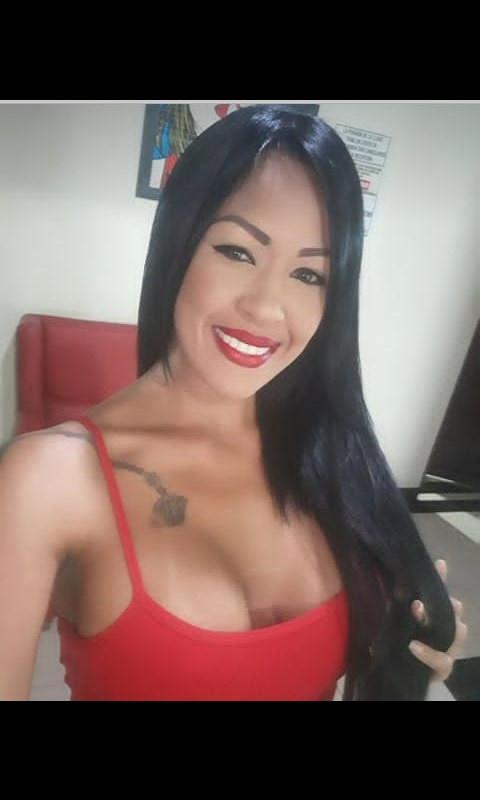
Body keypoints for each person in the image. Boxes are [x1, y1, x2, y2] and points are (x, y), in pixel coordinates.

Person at [0, 105, 467, 701]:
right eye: (239, 252)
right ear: (180, 244)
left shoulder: (329, 457)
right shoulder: (49, 479)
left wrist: (408, 643)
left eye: (309, 276)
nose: (267, 308)